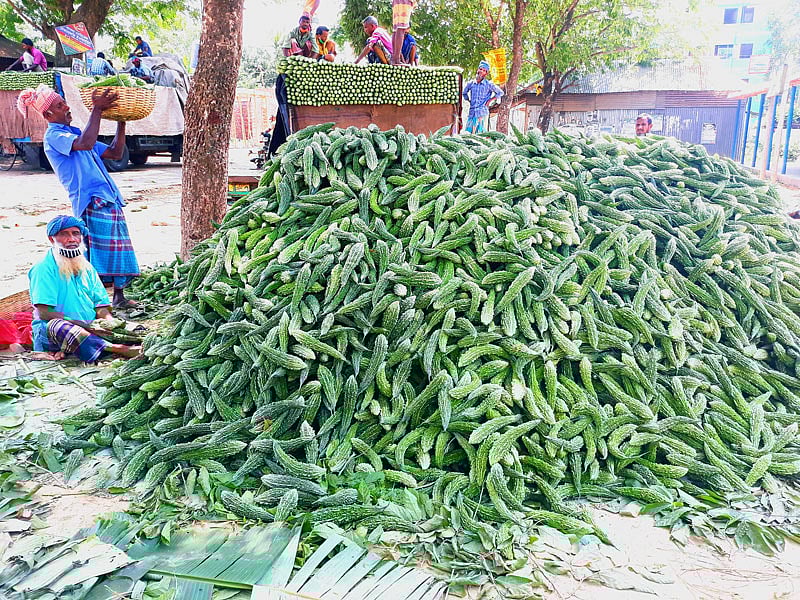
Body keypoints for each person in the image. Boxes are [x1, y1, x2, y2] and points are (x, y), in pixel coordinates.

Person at [17, 85, 140, 308]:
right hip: (90, 199)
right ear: (48, 115)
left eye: (64, 103)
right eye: (59, 105)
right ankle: (97, 300)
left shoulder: (75, 133)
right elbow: (86, 144)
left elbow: (114, 152)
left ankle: (119, 296)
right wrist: (97, 110)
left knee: (118, 246)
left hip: (108, 196)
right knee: (99, 250)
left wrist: (121, 122)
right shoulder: (54, 136)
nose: (67, 107)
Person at [28, 216, 142, 362]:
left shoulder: (86, 267)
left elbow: (100, 305)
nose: (72, 239)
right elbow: (45, 312)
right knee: (59, 327)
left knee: (136, 330)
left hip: (91, 326)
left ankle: (100, 345)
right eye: (64, 234)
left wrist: (108, 322)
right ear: (52, 239)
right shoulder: (44, 268)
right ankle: (118, 349)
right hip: (56, 330)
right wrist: (86, 326)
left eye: (75, 233)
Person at [462, 61, 503, 134]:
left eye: (484, 70)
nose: (481, 71)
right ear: (478, 70)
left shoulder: (489, 84)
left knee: (481, 136)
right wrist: (469, 101)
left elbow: (500, 92)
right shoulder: (471, 83)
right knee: (468, 135)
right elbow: (464, 93)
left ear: (486, 73)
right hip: (472, 113)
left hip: (482, 113)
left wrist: (490, 100)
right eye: (480, 69)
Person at [391, 0, 416, 65]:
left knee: (396, 29)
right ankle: (397, 59)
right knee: (401, 28)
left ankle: (394, 58)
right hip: (404, 2)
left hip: (397, 2)